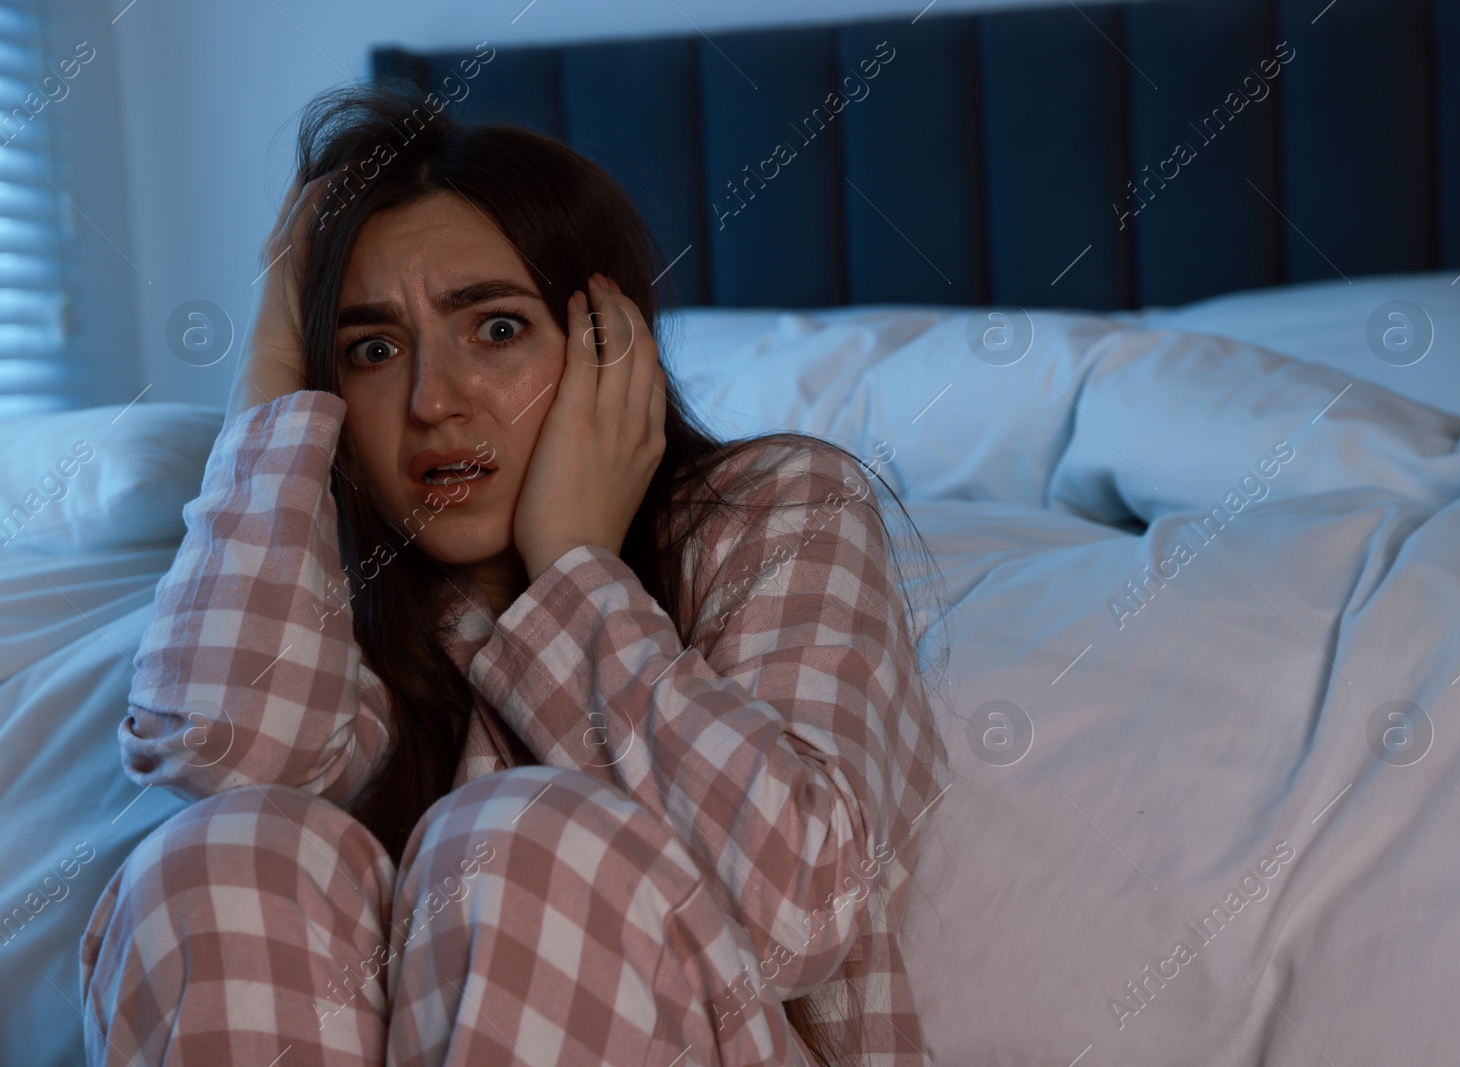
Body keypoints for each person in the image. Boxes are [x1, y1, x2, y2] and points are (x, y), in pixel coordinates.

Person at [77, 80, 953, 1067]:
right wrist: (272, 380)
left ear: (603, 348)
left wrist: (574, 564)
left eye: (494, 327)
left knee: (522, 836)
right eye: (370, 348)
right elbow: (221, 762)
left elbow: (801, 901)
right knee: (218, 859)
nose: (431, 400)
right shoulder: (338, 588)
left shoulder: (777, 508)